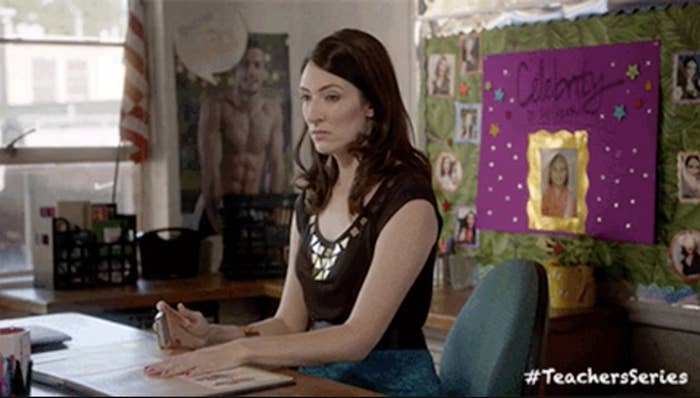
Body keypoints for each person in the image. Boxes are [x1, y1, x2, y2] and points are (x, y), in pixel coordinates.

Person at [145, 28, 443, 396]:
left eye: (331, 97)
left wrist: (238, 351)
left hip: (387, 387)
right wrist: (213, 335)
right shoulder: (312, 199)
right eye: (306, 98)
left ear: (372, 105)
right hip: (321, 380)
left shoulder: (408, 200)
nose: (313, 114)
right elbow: (289, 322)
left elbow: (357, 338)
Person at [197, 38, 285, 234]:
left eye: (257, 65)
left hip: (253, 208)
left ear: (265, 73)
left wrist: (274, 211)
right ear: (234, 71)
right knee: (213, 260)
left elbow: (276, 165)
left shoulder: (272, 111)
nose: (251, 72)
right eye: (245, 65)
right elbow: (210, 167)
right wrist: (216, 218)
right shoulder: (216, 107)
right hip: (220, 205)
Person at [541, 153, 576, 218]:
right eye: (555, 169)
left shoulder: (570, 197)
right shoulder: (545, 194)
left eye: (562, 169)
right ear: (550, 174)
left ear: (567, 174)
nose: (558, 173)